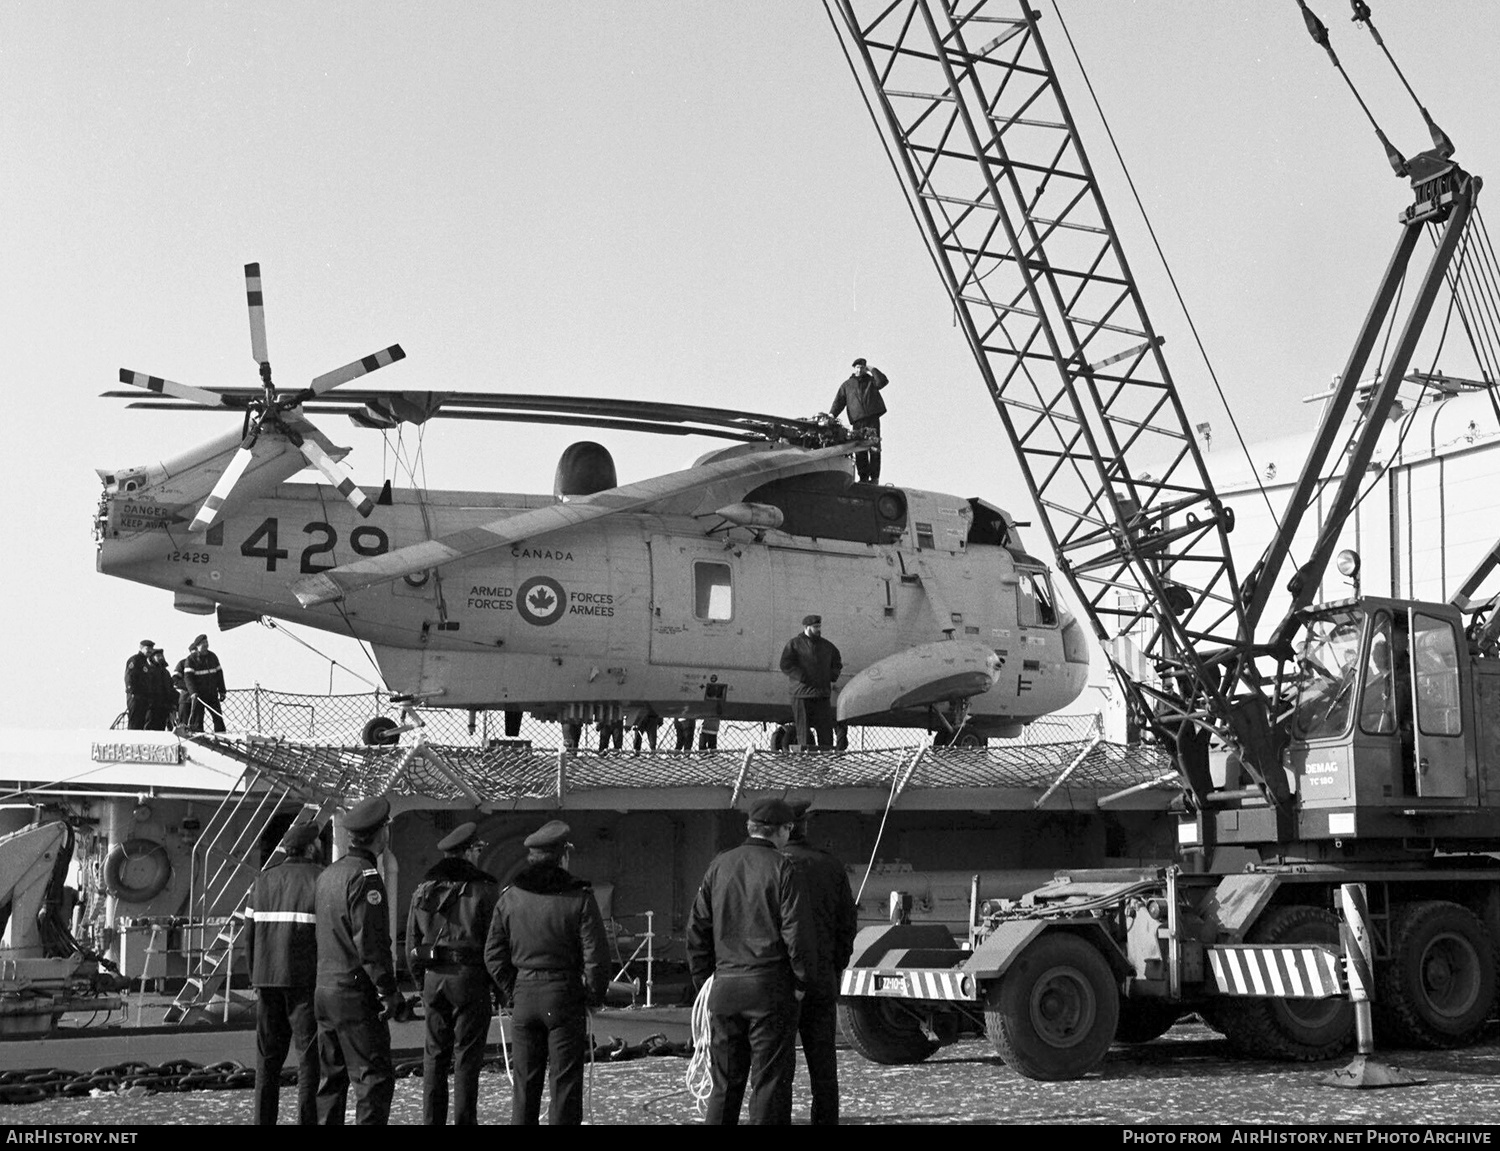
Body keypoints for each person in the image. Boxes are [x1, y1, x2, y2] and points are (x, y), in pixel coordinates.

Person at [686, 797, 810, 1125]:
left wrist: (705, 982)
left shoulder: (719, 865)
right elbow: (796, 933)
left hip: (725, 986)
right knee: (769, 1083)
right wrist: (800, 981)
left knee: (724, 1086)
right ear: (783, 831)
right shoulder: (784, 867)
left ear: (749, 827)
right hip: (770, 986)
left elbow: (697, 930)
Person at [484, 819, 609, 1125]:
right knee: (564, 1085)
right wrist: (592, 994)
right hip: (563, 994)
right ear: (563, 855)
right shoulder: (579, 897)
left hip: (525, 994)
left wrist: (513, 990)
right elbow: (596, 954)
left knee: (525, 1086)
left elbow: (493, 954)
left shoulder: (510, 896)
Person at [314, 795, 401, 1125]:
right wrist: (388, 991)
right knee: (373, 1081)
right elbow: (372, 946)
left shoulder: (328, 875)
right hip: (354, 994)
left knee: (331, 1081)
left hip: (324, 989)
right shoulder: (366, 878)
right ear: (381, 834)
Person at [407, 821, 499, 1126]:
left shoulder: (423, 889)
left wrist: (422, 985)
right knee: (466, 1060)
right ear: (469, 851)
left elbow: (412, 944)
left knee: (434, 1057)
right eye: (477, 849)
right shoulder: (484, 889)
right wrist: (499, 989)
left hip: (434, 977)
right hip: (470, 977)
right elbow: (494, 944)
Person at [782, 801, 858, 1126]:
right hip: (822, 979)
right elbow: (846, 926)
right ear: (805, 827)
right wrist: (836, 968)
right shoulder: (829, 865)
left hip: (779, 984)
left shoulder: (772, 865)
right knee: (824, 1069)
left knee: (778, 1071)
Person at [245, 821, 323, 1126]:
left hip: (267, 981)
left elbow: (249, 935)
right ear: (311, 847)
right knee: (309, 1062)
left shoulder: (262, 881)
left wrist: (255, 976)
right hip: (305, 982)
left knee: (267, 1062)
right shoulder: (320, 879)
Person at [778, 615, 843, 751]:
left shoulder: (827, 646)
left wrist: (830, 676)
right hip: (801, 695)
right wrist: (802, 676)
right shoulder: (794, 644)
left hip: (821, 695)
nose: (818, 629)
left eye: (819, 627)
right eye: (815, 627)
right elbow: (785, 664)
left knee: (826, 734)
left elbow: (837, 663)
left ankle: (825, 766)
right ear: (807, 627)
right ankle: (806, 766)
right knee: (804, 734)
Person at [827, 357, 889, 483]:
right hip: (857, 420)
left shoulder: (871, 381)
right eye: (857, 367)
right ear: (854, 368)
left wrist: (872, 368)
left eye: (862, 367)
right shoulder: (847, 385)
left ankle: (875, 477)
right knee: (859, 448)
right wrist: (831, 415)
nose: (859, 369)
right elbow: (839, 401)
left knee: (874, 447)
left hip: (872, 418)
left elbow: (883, 381)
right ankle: (863, 477)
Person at [184, 633, 227, 733]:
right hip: (199, 695)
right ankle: (198, 737)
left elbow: (219, 674)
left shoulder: (212, 657)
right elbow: (188, 678)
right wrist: (193, 692)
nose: (206, 645)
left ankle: (221, 736)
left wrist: (222, 691)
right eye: (203, 643)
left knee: (218, 718)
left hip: (212, 693)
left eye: (206, 642)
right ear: (198, 645)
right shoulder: (191, 660)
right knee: (197, 720)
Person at [124, 640, 156, 729]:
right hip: (135, 695)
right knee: (135, 721)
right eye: (147, 648)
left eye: (151, 649)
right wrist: (132, 692)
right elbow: (129, 676)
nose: (150, 650)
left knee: (141, 721)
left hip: (143, 696)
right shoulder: (135, 660)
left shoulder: (146, 662)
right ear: (141, 648)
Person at [146, 647, 175, 730]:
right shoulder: (149, 671)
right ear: (152, 657)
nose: (161, 657)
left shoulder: (166, 673)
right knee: (149, 726)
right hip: (152, 706)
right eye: (158, 656)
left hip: (164, 706)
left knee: (161, 728)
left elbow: (170, 688)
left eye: (161, 655)